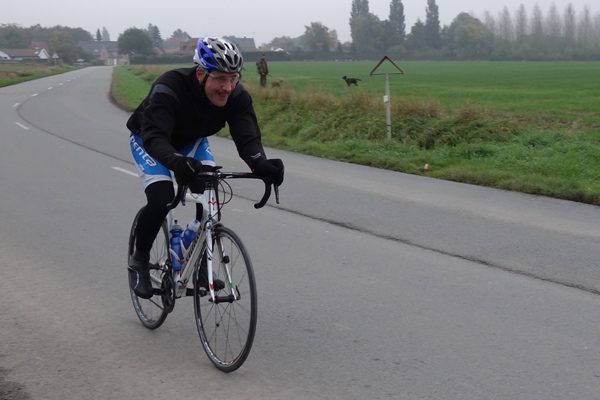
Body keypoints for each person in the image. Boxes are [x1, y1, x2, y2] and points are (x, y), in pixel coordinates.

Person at [127, 37, 284, 299]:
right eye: (220, 79)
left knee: (210, 188)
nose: (227, 87)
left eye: (233, 78)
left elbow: (247, 137)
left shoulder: (236, 96)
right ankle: (139, 259)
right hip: (149, 140)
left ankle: (199, 257)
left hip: (192, 141)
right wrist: (177, 162)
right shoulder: (169, 87)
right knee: (162, 197)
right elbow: (155, 138)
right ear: (201, 74)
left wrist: (261, 163)